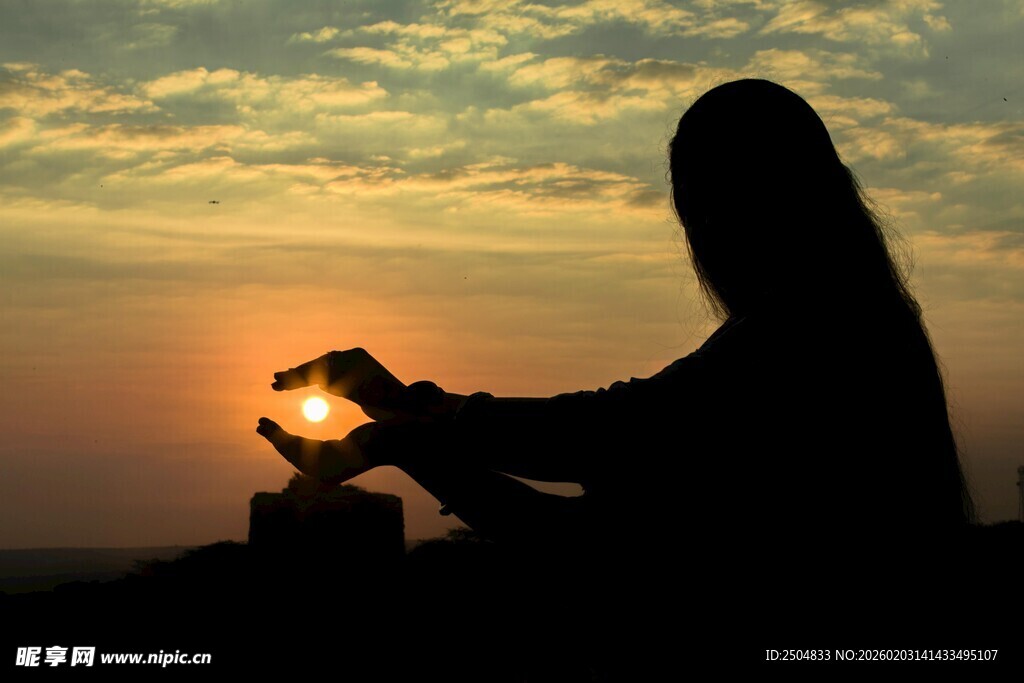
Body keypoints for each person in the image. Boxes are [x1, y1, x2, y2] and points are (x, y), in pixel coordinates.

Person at [256, 79, 975, 652]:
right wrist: (405, 432)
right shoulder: (850, 324)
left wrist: (407, 419)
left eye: (708, 204)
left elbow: (606, 440)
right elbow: (596, 535)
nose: (707, 233)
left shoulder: (810, 334)